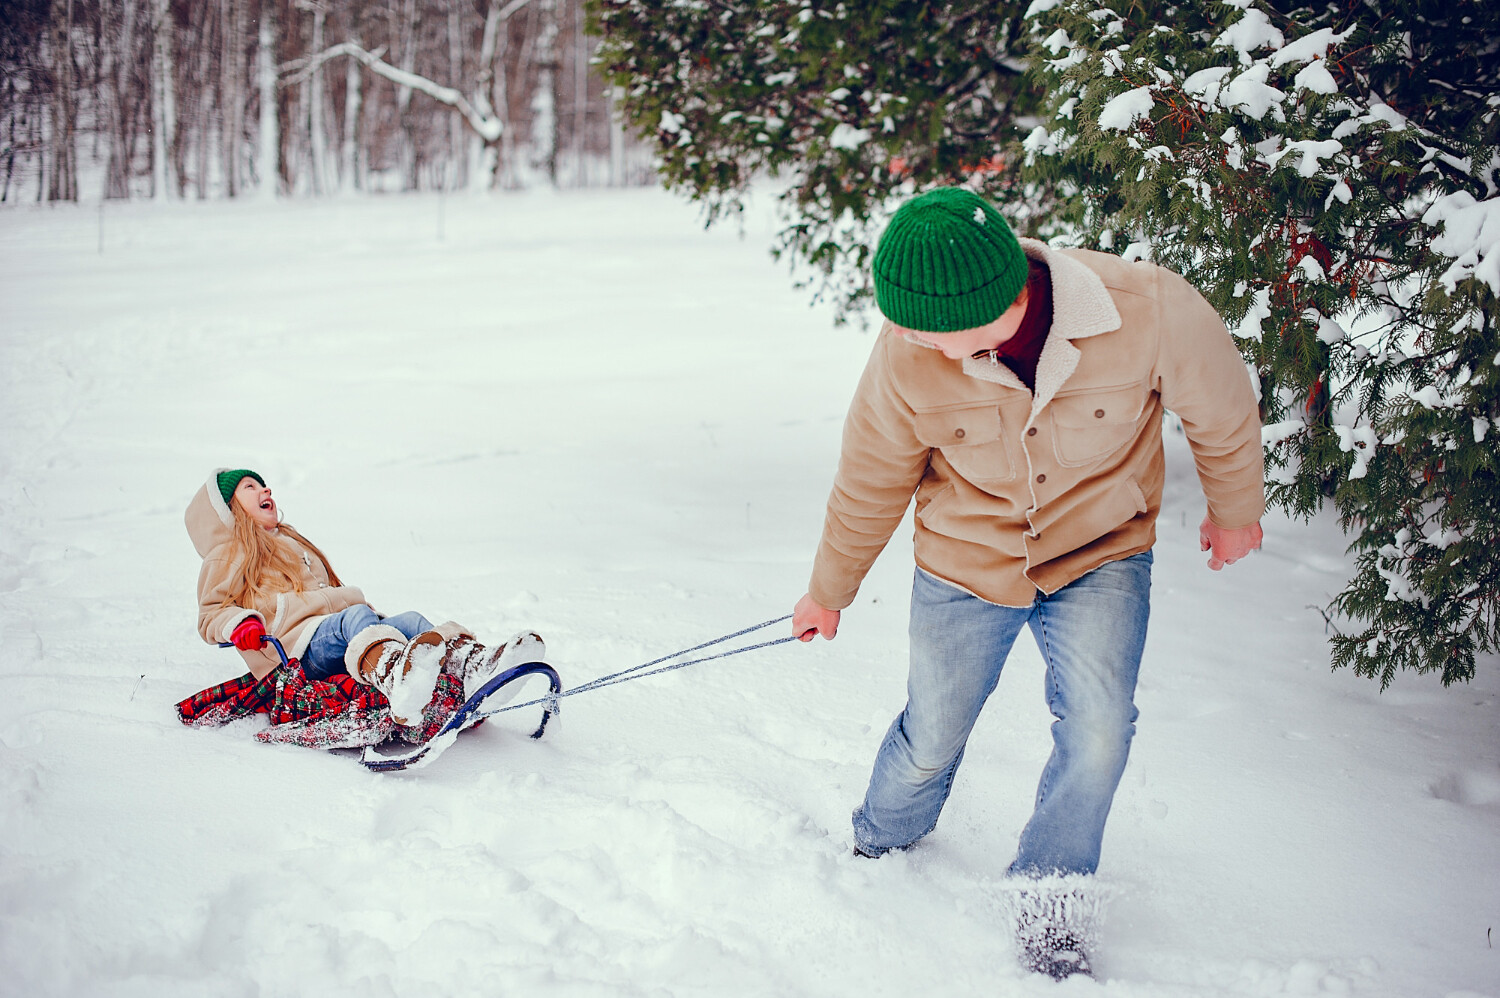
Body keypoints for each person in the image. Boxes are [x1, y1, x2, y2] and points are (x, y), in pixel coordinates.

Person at [790, 188, 1264, 979]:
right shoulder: (907, 353)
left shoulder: (1144, 307)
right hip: (966, 561)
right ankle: (882, 841)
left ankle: (1050, 895)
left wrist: (1236, 509)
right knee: (933, 731)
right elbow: (871, 477)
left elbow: (1221, 407)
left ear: (995, 302)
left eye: (925, 328)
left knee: (1100, 730)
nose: (908, 339)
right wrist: (829, 590)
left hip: (1100, 551)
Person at [186, 467, 541, 726]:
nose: (266, 490)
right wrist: (240, 623)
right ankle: (398, 683)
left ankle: (475, 669)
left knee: (412, 622)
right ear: (228, 508)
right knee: (355, 618)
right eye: (251, 487)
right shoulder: (229, 551)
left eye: (264, 484)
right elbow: (211, 613)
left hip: (330, 633)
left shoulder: (292, 543)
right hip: (293, 650)